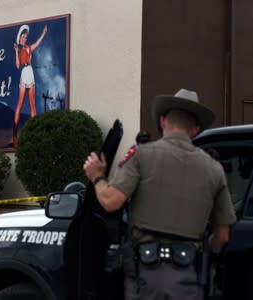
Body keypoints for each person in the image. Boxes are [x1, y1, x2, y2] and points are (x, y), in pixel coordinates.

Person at [83, 89, 236, 300]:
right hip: (189, 278)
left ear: (163, 121)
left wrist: (97, 177)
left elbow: (110, 202)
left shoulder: (141, 156)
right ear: (195, 129)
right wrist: (200, 251)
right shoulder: (214, 169)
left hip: (145, 276)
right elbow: (223, 236)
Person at [12, 24, 48, 148]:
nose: (25, 38)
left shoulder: (28, 48)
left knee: (33, 105)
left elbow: (37, 43)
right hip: (24, 73)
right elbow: (17, 66)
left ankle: (35, 134)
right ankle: (14, 137)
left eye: (26, 37)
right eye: (23, 36)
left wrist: (44, 33)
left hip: (30, 73)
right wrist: (16, 52)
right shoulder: (19, 48)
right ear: (20, 37)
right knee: (20, 104)